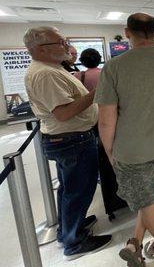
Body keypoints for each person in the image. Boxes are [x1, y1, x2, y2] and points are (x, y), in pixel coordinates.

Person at [95, 13, 154, 266]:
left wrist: (109, 151)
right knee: (151, 199)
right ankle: (135, 241)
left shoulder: (114, 66)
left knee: (148, 203)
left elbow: (106, 119)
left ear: (128, 33)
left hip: (132, 151)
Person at [23, 27, 111, 260]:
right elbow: (63, 113)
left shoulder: (52, 69)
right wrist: (95, 94)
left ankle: (70, 228)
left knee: (69, 188)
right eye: (60, 41)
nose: (66, 45)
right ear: (42, 48)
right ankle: (74, 242)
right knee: (78, 190)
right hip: (71, 138)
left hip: (70, 138)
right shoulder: (46, 74)